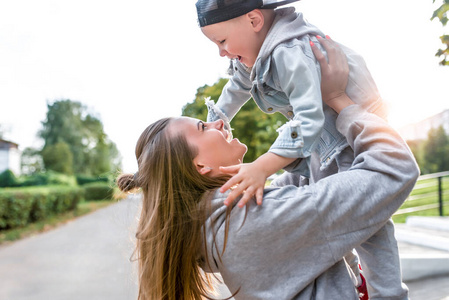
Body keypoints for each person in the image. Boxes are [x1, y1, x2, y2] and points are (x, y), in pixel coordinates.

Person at [116, 38, 419, 300]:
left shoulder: (225, 218)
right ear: (200, 166)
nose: (218, 121)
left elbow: (315, 183)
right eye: (202, 126)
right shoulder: (249, 220)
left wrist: (313, 127)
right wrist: (341, 101)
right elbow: (392, 170)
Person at [195, 1, 407, 298]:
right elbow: (236, 87)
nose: (221, 52)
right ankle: (355, 277)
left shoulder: (288, 53)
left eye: (222, 41)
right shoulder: (255, 54)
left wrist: (263, 166)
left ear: (254, 20)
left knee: (372, 226)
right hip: (325, 141)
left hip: (348, 139)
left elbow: (309, 119)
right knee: (338, 213)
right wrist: (217, 120)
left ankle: (388, 293)